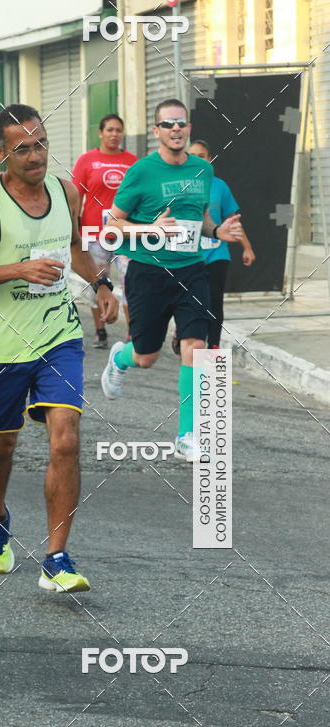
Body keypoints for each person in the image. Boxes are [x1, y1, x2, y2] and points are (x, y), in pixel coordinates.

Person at [0, 104, 118, 592]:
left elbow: (76, 250)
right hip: (2, 342)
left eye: (40, 143)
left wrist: (102, 284)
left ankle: (57, 558)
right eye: (22, 148)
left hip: (58, 335)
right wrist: (16, 269)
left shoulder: (65, 192)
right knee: (2, 443)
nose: (35, 155)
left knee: (66, 436)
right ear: (1, 154)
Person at [99, 98, 243, 462]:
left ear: (189, 128)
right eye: (168, 124)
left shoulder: (203, 170)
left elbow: (202, 216)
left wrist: (217, 230)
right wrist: (151, 228)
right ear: (157, 132)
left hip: (193, 268)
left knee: (195, 345)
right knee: (147, 356)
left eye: (181, 123)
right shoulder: (142, 172)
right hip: (148, 272)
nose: (176, 129)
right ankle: (121, 358)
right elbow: (111, 226)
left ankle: (187, 433)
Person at [170, 139, 255, 352]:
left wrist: (247, 247)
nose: (197, 160)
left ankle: (214, 345)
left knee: (215, 298)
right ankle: (183, 332)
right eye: (192, 155)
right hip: (188, 253)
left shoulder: (220, 186)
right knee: (188, 299)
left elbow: (233, 219)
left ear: (210, 160)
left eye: (202, 156)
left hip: (217, 252)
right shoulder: (180, 185)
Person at [72, 114, 138, 348]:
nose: (114, 134)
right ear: (100, 133)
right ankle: (101, 331)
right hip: (93, 232)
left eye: (118, 130)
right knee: (98, 280)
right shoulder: (87, 160)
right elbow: (76, 195)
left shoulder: (133, 161)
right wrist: (75, 227)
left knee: (131, 281)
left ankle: (133, 333)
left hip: (125, 234)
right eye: (109, 129)